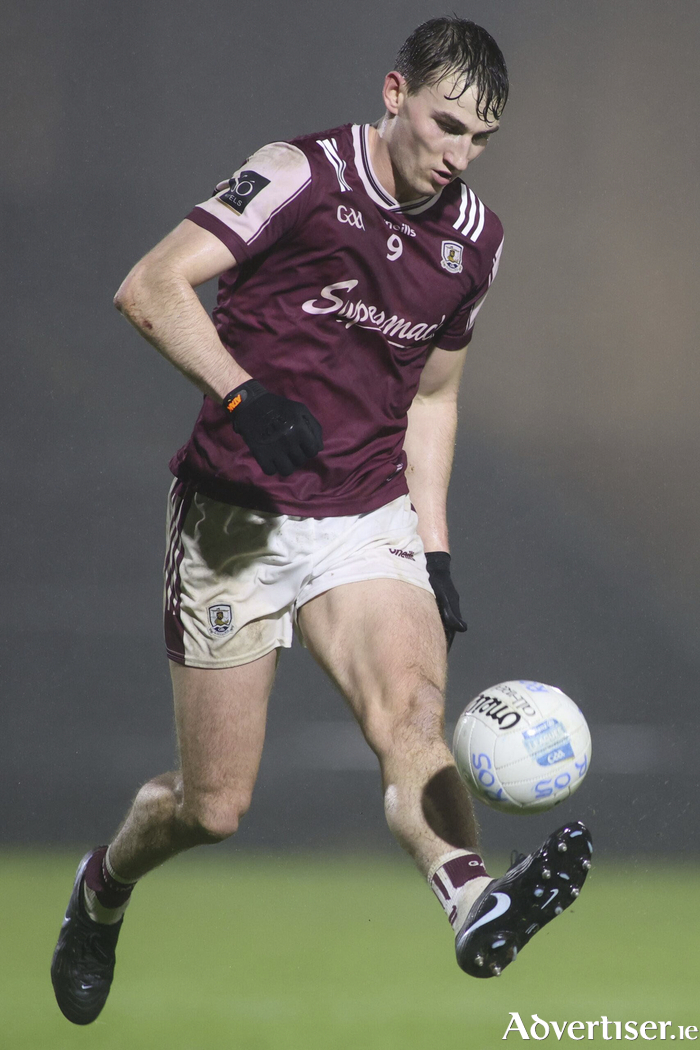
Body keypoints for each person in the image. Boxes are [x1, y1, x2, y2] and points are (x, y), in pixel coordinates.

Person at [51, 16, 592, 1026]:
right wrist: (245, 396)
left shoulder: (475, 240)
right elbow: (151, 286)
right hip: (232, 523)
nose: (458, 157)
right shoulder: (299, 173)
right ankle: (102, 890)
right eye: (444, 125)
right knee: (212, 809)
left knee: (409, 716)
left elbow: (432, 400)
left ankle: (474, 903)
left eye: (479, 139)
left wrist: (431, 549)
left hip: (362, 514)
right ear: (394, 94)